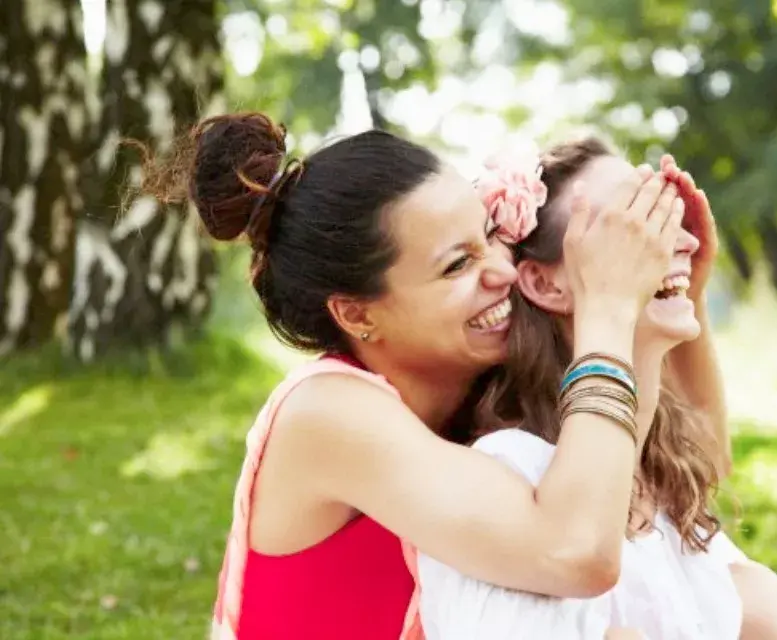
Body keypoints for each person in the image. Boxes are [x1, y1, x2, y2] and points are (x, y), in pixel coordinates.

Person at [139, 111, 687, 639]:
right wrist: (607, 313)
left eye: (488, 236)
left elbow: (623, 508)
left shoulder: (462, 392)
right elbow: (577, 552)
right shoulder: (327, 412)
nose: (502, 270)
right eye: (457, 265)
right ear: (357, 314)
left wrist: (666, 317)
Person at [413, 138, 777, 640]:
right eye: (631, 224)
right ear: (543, 282)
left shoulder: (658, 498)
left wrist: (687, 290)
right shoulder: (512, 477)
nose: (675, 239)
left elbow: (705, 450)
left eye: (664, 213)